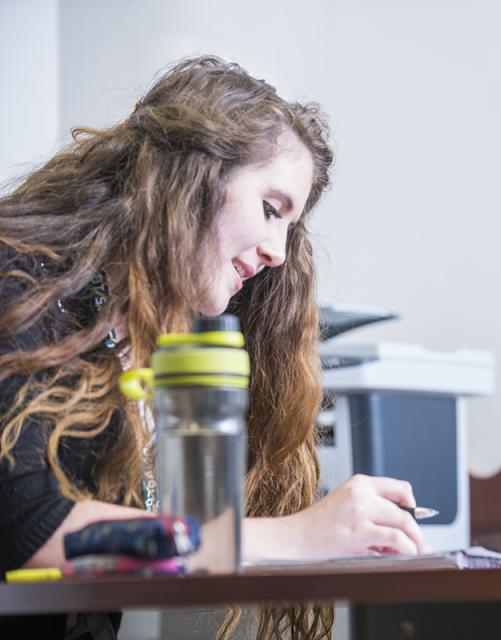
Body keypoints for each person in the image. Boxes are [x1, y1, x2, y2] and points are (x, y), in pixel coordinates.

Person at [0, 56, 428, 639]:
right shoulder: (19, 283)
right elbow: (31, 529)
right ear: (194, 177)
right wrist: (298, 536)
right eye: (271, 209)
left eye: (290, 227)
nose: (278, 250)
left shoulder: (126, 338)